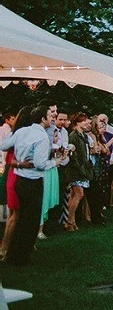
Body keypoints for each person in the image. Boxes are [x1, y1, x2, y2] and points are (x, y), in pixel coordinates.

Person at [0, 106, 56, 265]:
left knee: (21, 218)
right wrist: (54, 162)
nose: (52, 118)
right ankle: (20, 257)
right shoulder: (42, 137)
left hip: (19, 181)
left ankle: (12, 254)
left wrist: (17, 160)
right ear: (42, 119)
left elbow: (3, 145)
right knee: (30, 222)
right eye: (50, 116)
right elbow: (39, 164)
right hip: (32, 182)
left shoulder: (21, 132)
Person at [63, 113, 93, 230]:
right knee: (79, 194)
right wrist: (81, 169)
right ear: (77, 123)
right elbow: (73, 156)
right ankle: (69, 221)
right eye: (84, 121)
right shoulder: (73, 136)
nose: (86, 123)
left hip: (83, 168)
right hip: (76, 170)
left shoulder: (83, 136)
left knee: (75, 195)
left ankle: (71, 221)